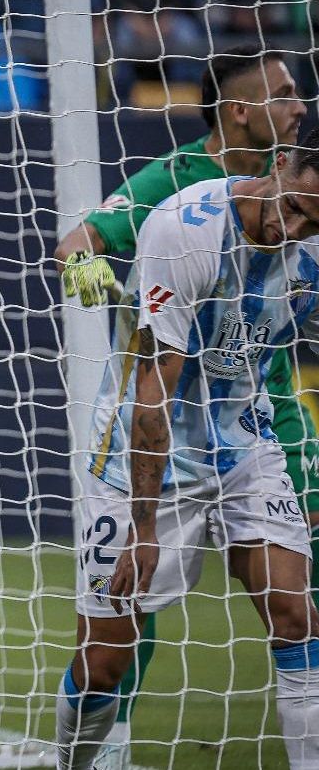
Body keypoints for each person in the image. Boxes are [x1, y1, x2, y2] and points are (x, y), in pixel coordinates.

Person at [54, 44, 313, 768]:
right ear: (239, 110)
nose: (299, 106)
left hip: (263, 415)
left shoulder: (303, 193)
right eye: (285, 93)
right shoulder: (174, 187)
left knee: (296, 601)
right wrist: (86, 265)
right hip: (157, 420)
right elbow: (80, 240)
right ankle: (104, 741)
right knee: (126, 618)